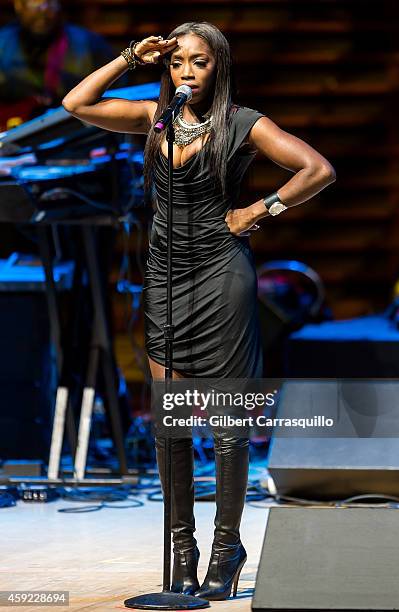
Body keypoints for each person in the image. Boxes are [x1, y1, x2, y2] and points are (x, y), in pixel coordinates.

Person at [61, 21, 336, 600]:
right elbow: (75, 102)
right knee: (171, 426)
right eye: (178, 61)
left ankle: (226, 547)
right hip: (163, 277)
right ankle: (181, 550)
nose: (186, 71)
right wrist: (133, 56)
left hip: (221, 275)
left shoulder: (242, 123)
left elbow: (317, 170)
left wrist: (258, 211)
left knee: (227, 425)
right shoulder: (153, 119)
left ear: (219, 67)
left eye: (200, 62)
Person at [0, 0, 119, 130]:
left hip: (79, 131)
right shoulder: (3, 44)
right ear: (19, 6)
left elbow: (117, 92)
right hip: (14, 131)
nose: (44, 10)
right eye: (35, 3)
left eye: (50, 2)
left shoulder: (89, 43)